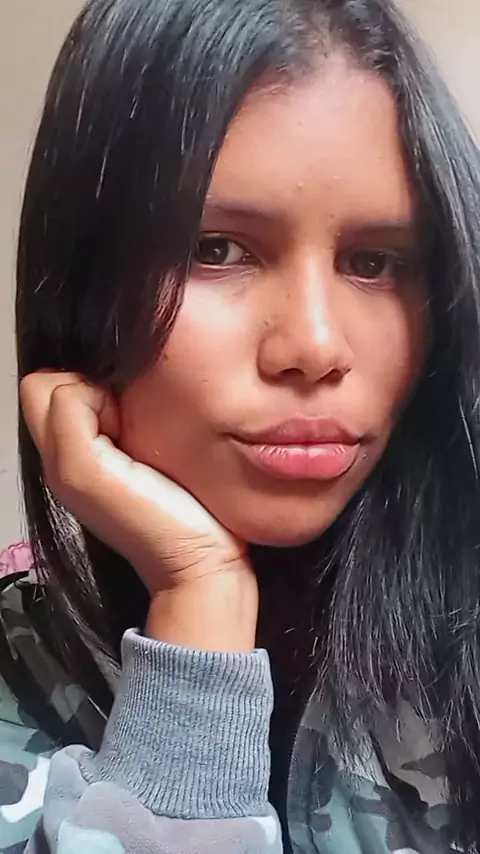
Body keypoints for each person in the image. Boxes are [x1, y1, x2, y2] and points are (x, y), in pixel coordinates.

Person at [1, 0, 480, 850]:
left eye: (375, 263)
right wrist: (199, 598)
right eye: (215, 248)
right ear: (80, 283)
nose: (316, 347)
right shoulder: (19, 661)